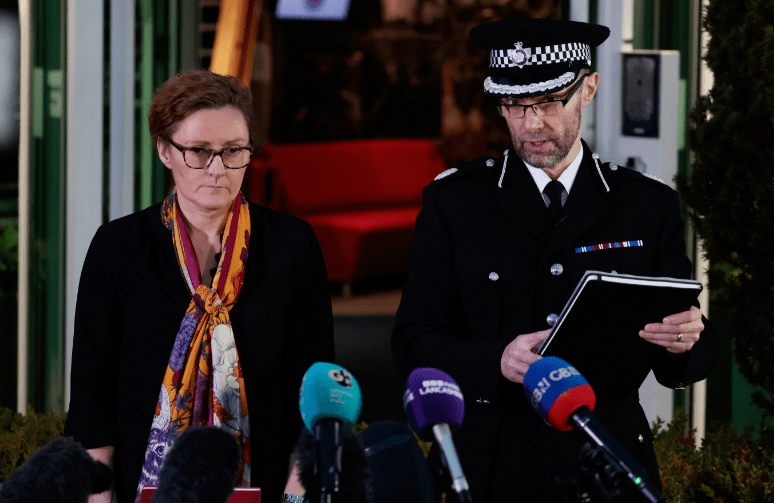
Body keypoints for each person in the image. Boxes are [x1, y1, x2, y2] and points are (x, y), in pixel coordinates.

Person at [392, 18, 716, 502]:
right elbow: (414, 342)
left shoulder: (646, 206)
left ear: (589, 89)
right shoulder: (455, 204)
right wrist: (496, 359)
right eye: (513, 106)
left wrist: (686, 339)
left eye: (547, 103)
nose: (530, 125)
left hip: (606, 462)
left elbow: (681, 362)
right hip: (492, 463)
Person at [64, 69, 335, 503]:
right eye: (198, 151)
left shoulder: (293, 245)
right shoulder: (118, 248)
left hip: (264, 484)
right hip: (144, 484)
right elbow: (92, 398)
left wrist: (298, 491)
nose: (217, 169)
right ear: (164, 151)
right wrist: (99, 498)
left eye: (233, 151)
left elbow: (317, 388)